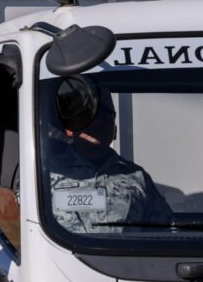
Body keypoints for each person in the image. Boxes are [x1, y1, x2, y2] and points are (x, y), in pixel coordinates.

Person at [48, 77, 173, 234]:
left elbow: (163, 232)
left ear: (114, 128)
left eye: (106, 119)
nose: (98, 125)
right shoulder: (48, 174)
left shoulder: (136, 177)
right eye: (89, 119)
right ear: (70, 128)